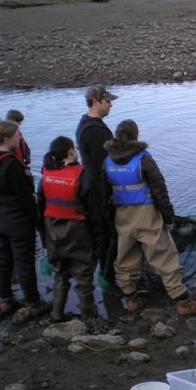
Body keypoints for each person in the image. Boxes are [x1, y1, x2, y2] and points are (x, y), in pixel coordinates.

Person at [102, 120, 196, 316]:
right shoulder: (143, 159)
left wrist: (111, 221)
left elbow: (104, 192)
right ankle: (182, 301)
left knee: (126, 257)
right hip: (146, 214)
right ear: (136, 136)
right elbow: (160, 190)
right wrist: (168, 217)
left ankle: (130, 299)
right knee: (164, 256)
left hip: (122, 215)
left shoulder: (107, 161)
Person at [0, 120, 48, 316]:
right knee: (24, 263)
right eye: (17, 134)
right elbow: (25, 197)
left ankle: (5, 300)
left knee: (2, 262)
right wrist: (38, 221)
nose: (20, 137)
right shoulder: (10, 163)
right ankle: (34, 303)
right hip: (18, 222)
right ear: (7, 138)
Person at [37, 136, 105, 321]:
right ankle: (89, 318)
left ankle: (56, 314)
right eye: (74, 147)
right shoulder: (83, 178)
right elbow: (95, 216)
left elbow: (40, 211)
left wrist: (44, 239)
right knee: (83, 278)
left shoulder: (45, 178)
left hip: (53, 233)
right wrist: (100, 243)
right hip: (78, 235)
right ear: (70, 152)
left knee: (60, 274)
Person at [75, 85, 116, 281]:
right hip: (99, 193)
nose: (110, 105)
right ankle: (108, 280)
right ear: (95, 102)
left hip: (94, 189)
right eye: (107, 101)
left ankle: (107, 278)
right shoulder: (95, 131)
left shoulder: (86, 124)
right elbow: (105, 166)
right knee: (106, 237)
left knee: (104, 236)